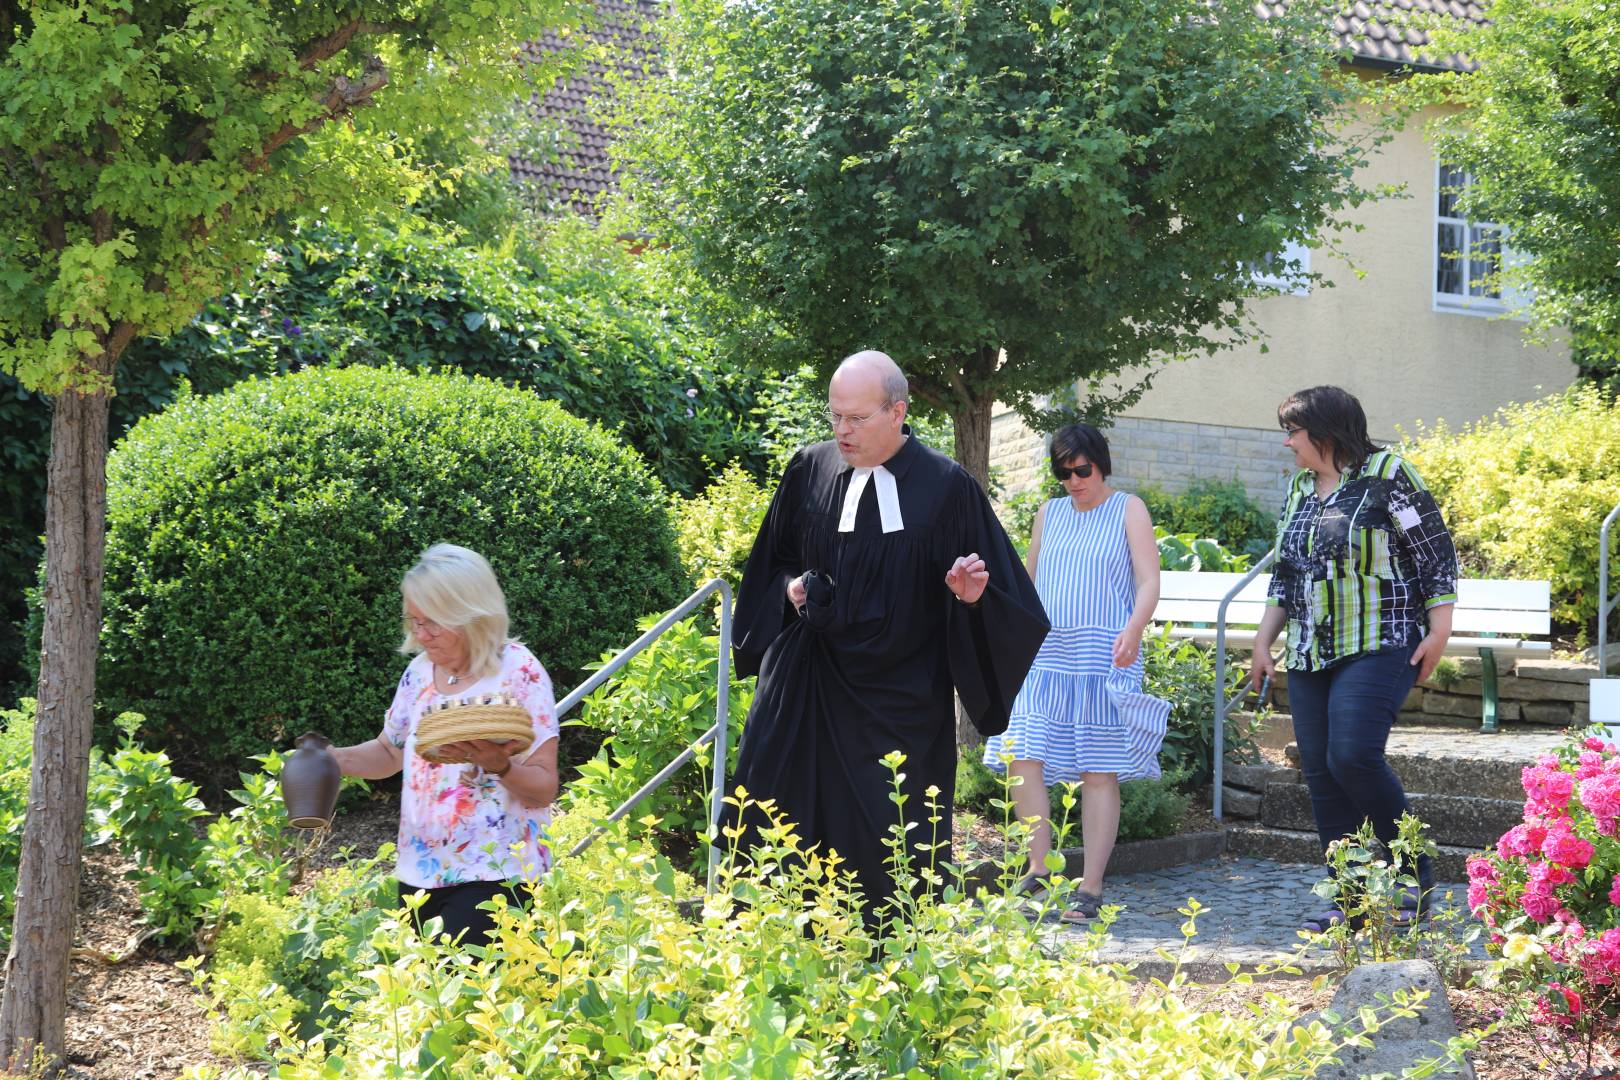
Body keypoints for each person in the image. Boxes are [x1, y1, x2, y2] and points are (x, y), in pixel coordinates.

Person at [729, 350, 1049, 926]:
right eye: (835, 417)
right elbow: (766, 569)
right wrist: (792, 591)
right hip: (804, 688)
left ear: (897, 411)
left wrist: (971, 598)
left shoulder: (947, 488)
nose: (842, 431)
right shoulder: (810, 469)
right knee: (771, 823)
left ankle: (889, 976)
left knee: (888, 844)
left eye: (856, 419)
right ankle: (771, 957)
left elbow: (1012, 601)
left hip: (898, 700)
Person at [1248, 386, 1457, 932]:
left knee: (1353, 757)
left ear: (1323, 431)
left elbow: (1434, 552)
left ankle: (1415, 870)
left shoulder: (1388, 473)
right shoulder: (1299, 488)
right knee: (1320, 773)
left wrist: (1440, 628)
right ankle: (1351, 899)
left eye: (1292, 431)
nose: (1287, 442)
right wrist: (1263, 641)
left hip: (1381, 638)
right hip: (1311, 648)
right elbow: (1287, 574)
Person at [327, 544, 560, 947]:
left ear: (470, 614)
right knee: (431, 1001)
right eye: (413, 620)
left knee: (473, 999)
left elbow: (544, 787)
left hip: (495, 872)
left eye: (433, 622)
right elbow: (388, 753)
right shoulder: (418, 673)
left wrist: (498, 765)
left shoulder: (519, 672)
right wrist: (332, 760)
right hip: (419, 872)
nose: (420, 634)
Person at [982, 424, 1169, 922]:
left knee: (1098, 770)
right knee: (1022, 754)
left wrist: (1135, 627)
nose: (1073, 481)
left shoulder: (1128, 509)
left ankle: (1090, 888)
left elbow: (1149, 580)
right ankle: (1039, 867)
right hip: (1046, 655)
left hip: (1106, 654)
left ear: (1100, 463)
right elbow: (1031, 581)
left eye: (1081, 470)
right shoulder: (1050, 513)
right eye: (1063, 473)